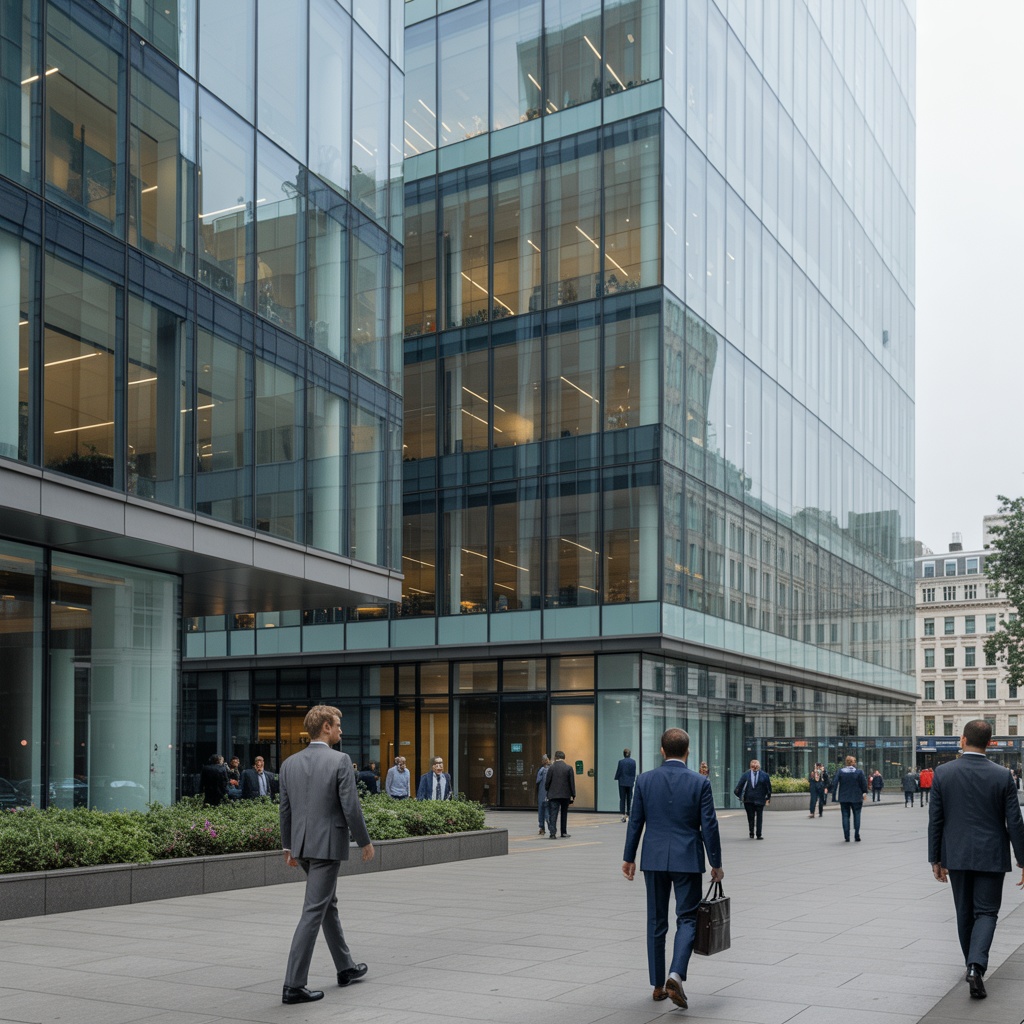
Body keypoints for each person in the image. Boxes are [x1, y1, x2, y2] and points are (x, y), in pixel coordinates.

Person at [622, 727, 723, 1010]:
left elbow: (635, 822)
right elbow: (710, 826)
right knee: (688, 918)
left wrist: (629, 857)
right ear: (687, 752)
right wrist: (716, 863)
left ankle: (657, 985)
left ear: (662, 751)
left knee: (656, 921)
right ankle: (675, 974)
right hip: (687, 859)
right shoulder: (699, 783)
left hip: (653, 859)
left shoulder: (644, 780)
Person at [278, 705, 374, 1005]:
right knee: (313, 911)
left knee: (326, 904)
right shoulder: (340, 760)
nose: (341, 731)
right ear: (325, 728)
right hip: (327, 846)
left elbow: (285, 809)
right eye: (338, 725)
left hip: (303, 847)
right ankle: (294, 985)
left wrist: (287, 846)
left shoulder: (288, 764)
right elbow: (351, 806)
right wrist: (365, 841)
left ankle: (345, 967)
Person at [928, 719, 1024, 1000]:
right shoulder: (1002, 775)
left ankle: (971, 965)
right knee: (987, 913)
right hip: (991, 854)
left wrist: (935, 858)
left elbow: (936, 820)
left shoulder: (943, 773)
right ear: (990, 743)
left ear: (962, 740)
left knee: (964, 912)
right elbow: (1015, 823)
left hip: (956, 855)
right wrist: (1022, 859)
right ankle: (975, 966)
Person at [832, 755, 868, 842]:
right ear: (853, 762)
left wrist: (834, 796)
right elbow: (864, 784)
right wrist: (864, 792)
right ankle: (856, 835)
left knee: (845, 816)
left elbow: (835, 783)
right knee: (857, 815)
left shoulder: (840, 772)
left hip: (844, 798)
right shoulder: (859, 772)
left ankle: (846, 836)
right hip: (856, 797)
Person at [733, 759, 771, 839]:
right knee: (750, 816)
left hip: (760, 799)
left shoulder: (764, 775)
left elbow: (768, 787)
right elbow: (739, 786)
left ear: (759, 765)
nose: (755, 766)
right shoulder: (746, 775)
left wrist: (768, 797)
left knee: (759, 817)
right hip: (748, 800)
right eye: (753, 764)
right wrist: (739, 795)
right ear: (750, 766)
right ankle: (751, 831)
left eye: (756, 764)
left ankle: (759, 834)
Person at [544, 750, 576, 839]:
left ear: (555, 757)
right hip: (565, 795)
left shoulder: (551, 768)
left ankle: (553, 833)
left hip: (553, 795)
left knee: (553, 814)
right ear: (564, 757)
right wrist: (573, 795)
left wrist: (548, 790)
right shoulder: (568, 768)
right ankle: (564, 832)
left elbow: (547, 782)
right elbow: (571, 783)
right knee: (564, 813)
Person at [614, 748, 638, 822]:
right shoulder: (633, 762)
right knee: (629, 798)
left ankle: (622, 814)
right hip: (630, 782)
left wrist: (616, 777)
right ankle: (629, 813)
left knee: (622, 798)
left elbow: (619, 771)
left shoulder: (621, 762)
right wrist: (633, 779)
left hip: (622, 782)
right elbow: (634, 772)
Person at [535, 755, 551, 835]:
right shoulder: (551, 770)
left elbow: (537, 781)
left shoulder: (541, 770)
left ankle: (542, 828)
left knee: (541, 810)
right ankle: (551, 827)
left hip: (541, 793)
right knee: (548, 811)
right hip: (549, 794)